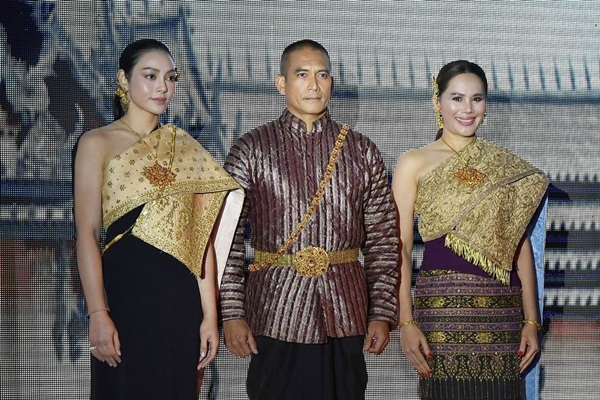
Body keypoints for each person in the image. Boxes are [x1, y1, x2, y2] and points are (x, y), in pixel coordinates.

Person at [220, 39, 398, 400]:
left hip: (345, 310)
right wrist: (232, 313)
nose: (314, 85)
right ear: (281, 83)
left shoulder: (362, 150)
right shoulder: (251, 149)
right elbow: (227, 241)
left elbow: (383, 240)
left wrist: (381, 311)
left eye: (322, 75)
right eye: (302, 75)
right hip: (275, 310)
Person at [73, 38, 243, 400]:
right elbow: (86, 233)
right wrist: (98, 312)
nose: (162, 87)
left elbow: (200, 241)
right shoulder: (96, 143)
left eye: (170, 78)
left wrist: (209, 317)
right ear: (123, 79)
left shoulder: (187, 149)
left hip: (180, 304)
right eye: (150, 76)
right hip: (124, 298)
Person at [392, 60, 549, 400]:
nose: (467, 109)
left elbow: (519, 245)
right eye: (457, 98)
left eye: (476, 99)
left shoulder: (503, 165)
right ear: (438, 102)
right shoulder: (413, 162)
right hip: (442, 311)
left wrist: (531, 321)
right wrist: (406, 321)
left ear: (486, 105)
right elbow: (400, 247)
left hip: (504, 313)